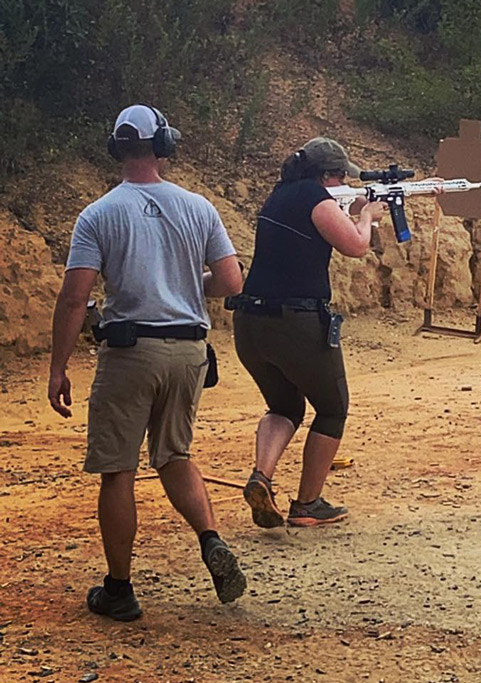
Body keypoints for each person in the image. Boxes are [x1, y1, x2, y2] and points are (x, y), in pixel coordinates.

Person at [48, 104, 247, 621]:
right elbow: (230, 283)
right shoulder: (199, 207)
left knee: (117, 471)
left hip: (131, 353)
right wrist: (187, 286)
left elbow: (75, 299)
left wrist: (58, 367)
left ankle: (119, 588)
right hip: (189, 352)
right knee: (175, 456)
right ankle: (210, 540)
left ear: (117, 149)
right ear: (163, 147)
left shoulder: (99, 214)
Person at [232, 137, 387, 528]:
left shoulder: (280, 195)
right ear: (328, 176)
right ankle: (307, 503)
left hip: (250, 321)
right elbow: (355, 245)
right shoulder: (315, 199)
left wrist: (353, 208)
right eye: (339, 178)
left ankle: (261, 477)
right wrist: (366, 216)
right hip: (294, 321)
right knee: (332, 408)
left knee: (284, 407)